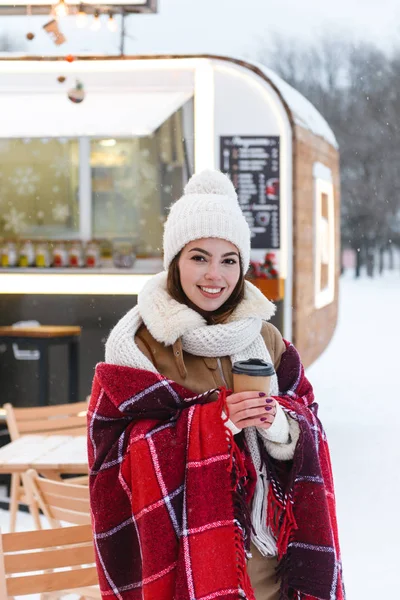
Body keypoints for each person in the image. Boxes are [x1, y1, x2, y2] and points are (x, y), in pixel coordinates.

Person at [88, 170, 345, 600]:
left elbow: (310, 424)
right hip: (182, 563)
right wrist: (213, 425)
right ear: (175, 262)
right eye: (199, 257)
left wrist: (279, 425)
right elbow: (113, 462)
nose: (215, 275)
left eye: (229, 260)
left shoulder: (265, 338)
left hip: (270, 564)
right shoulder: (139, 347)